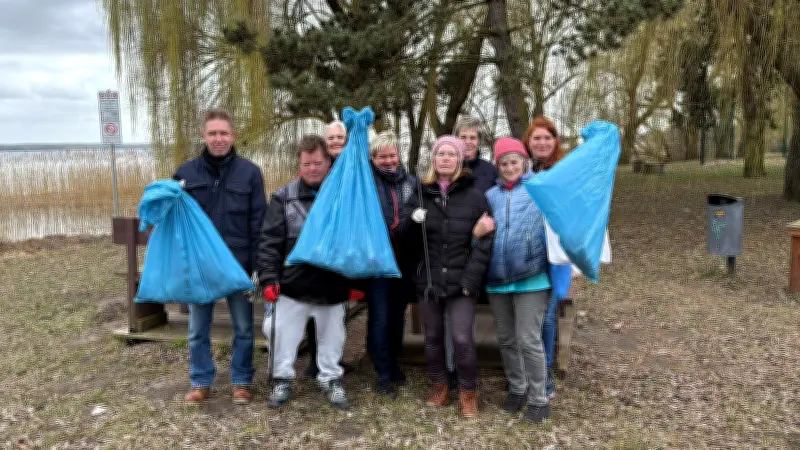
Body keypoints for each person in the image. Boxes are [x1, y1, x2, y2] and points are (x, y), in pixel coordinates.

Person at [175, 108, 267, 406]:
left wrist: (256, 265)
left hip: (238, 265)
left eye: (223, 133)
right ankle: (201, 381)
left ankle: (241, 381)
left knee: (243, 327)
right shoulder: (185, 174)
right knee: (197, 328)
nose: (218, 139)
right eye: (212, 133)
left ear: (233, 136)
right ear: (203, 136)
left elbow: (259, 222)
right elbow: (176, 223)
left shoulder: (250, 173)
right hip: (200, 267)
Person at [256, 134, 352, 410]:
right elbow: (270, 242)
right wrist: (269, 279)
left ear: (328, 163)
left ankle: (331, 379)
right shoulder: (282, 198)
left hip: (332, 285)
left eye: (318, 163)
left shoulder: (342, 199)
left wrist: (356, 279)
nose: (313, 168)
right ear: (300, 164)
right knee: (281, 333)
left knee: (333, 338)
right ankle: (281, 379)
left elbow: (354, 242)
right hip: (293, 286)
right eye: (307, 163)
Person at [400, 135, 493, 418]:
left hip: (462, 282)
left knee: (462, 338)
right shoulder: (420, 193)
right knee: (433, 338)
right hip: (428, 281)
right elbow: (404, 240)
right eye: (441, 154)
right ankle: (440, 385)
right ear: (434, 159)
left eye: (451, 154)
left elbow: (485, 240)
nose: (445, 159)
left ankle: (467, 392)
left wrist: (470, 281)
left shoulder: (475, 196)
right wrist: (412, 223)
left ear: (459, 160)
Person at [484, 136, 552, 423]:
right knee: (506, 339)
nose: (510, 167)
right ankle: (517, 388)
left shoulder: (540, 188)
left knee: (528, 339)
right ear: (497, 166)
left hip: (532, 276)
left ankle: (539, 398)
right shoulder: (490, 196)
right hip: (498, 278)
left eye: (515, 161)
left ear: (524, 162)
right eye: (504, 163)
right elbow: (482, 231)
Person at [443, 115, 499, 391]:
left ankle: (499, 358)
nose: (468, 142)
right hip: (452, 252)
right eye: (463, 137)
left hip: (482, 248)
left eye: (473, 137)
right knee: (452, 315)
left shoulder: (489, 171)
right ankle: (452, 368)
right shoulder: (445, 167)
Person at [523, 115, 572, 399]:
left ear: (555, 141)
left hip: (555, 255)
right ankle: (528, 372)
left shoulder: (565, 171)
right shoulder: (523, 170)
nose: (541, 143)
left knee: (547, 318)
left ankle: (544, 376)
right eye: (536, 138)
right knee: (529, 318)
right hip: (528, 253)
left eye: (546, 137)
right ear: (528, 143)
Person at [303, 119, 355, 380]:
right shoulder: (319, 168)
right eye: (331, 138)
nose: (336, 142)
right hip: (319, 245)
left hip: (345, 246)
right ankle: (314, 360)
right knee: (315, 305)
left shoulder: (354, 165)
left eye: (340, 138)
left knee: (338, 307)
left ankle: (335, 358)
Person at [367, 131, 417, 399]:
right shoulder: (367, 184)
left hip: (404, 260)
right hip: (377, 261)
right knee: (380, 317)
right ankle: (382, 371)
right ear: (373, 159)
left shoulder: (411, 183)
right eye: (382, 156)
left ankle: (394, 360)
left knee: (398, 316)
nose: (389, 160)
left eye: (392, 155)